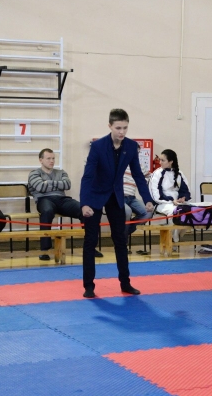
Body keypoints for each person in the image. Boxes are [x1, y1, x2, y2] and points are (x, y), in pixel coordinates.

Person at [80, 108, 154, 299]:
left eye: (125, 128)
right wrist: (84, 204)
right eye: (118, 128)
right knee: (90, 240)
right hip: (95, 195)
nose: (122, 132)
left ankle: (125, 283)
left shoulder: (131, 146)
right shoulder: (98, 146)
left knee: (120, 240)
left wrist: (147, 199)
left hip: (116, 195)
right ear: (110, 126)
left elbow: (138, 175)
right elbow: (87, 177)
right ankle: (89, 285)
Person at [28, 148, 85, 261]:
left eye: (53, 158)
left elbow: (67, 185)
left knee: (84, 210)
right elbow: (40, 187)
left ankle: (90, 246)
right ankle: (45, 250)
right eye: (48, 158)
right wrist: (58, 184)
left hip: (62, 199)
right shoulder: (34, 173)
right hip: (44, 199)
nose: (52, 161)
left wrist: (48, 183)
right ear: (41, 160)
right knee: (47, 211)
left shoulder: (61, 172)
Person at [149, 149, 191, 244]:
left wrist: (183, 198)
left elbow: (185, 190)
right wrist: (172, 200)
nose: (160, 162)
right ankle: (174, 241)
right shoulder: (157, 174)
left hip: (177, 203)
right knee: (175, 212)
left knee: (189, 211)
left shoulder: (179, 173)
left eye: (163, 160)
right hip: (162, 203)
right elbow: (156, 195)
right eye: (159, 160)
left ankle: (176, 238)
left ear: (171, 161)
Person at [123, 146, 152, 247]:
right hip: (119, 198)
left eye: (138, 153)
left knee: (148, 212)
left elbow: (151, 177)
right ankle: (123, 242)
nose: (137, 155)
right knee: (127, 212)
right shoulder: (119, 163)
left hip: (132, 197)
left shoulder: (139, 166)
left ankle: (122, 234)